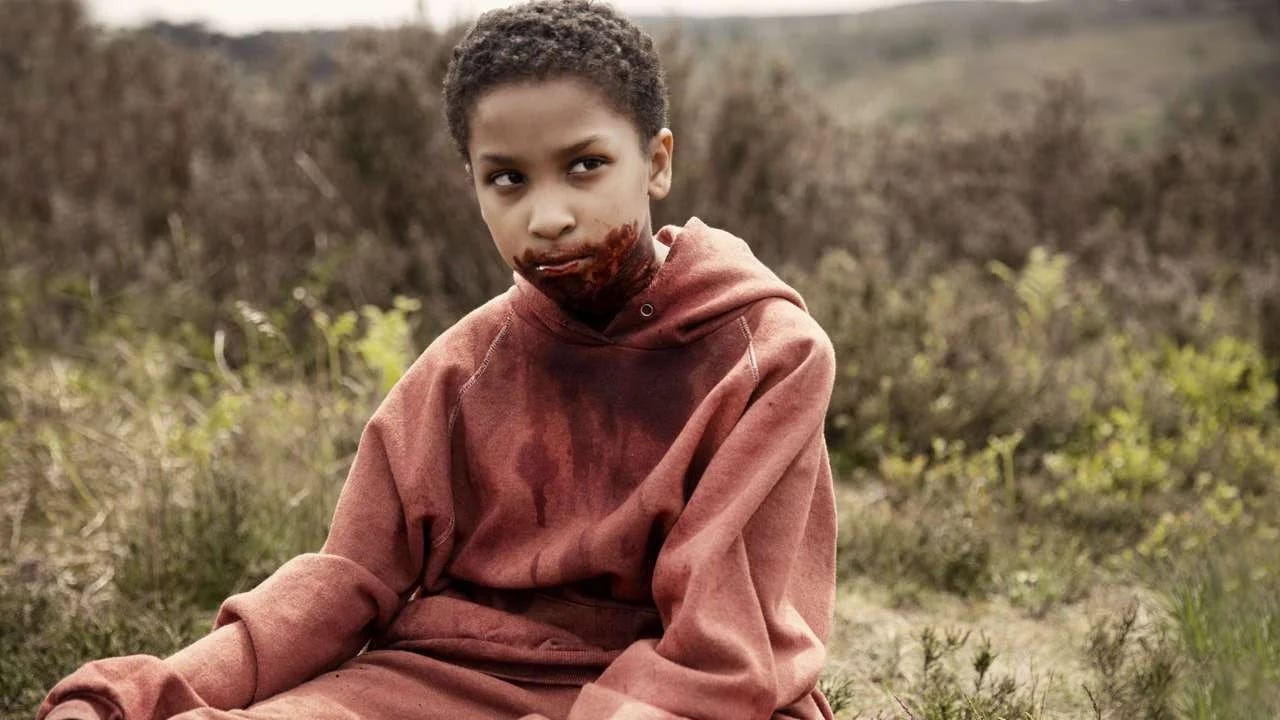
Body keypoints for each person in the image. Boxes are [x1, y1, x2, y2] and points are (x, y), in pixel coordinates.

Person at [37, 1, 838, 718]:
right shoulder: (464, 368)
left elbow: (720, 647)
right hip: (443, 678)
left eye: (586, 165)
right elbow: (347, 579)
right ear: (474, 186)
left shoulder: (767, 355)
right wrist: (140, 695)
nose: (550, 215)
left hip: (676, 694)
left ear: (656, 161)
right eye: (508, 179)